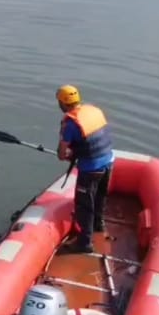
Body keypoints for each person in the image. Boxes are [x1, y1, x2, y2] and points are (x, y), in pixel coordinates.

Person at [56, 85, 114, 254]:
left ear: (63, 103)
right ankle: (98, 224)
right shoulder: (94, 110)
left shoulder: (70, 122)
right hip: (109, 161)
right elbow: (94, 138)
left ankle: (84, 243)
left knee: (84, 205)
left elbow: (61, 153)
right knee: (99, 196)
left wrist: (67, 154)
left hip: (91, 169)